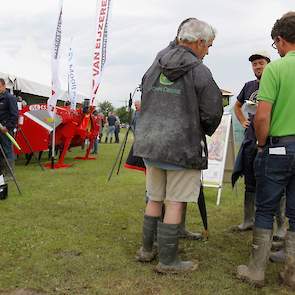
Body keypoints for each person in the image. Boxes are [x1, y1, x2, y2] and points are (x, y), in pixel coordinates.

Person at [133, 18, 223, 274]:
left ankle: (146, 250)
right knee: (174, 202)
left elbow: (145, 97)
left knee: (154, 197)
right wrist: (202, 129)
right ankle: (168, 261)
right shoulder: (199, 70)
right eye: (208, 46)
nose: (208, 51)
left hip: (151, 144)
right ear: (199, 42)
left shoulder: (155, 63)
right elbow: (212, 111)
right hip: (181, 147)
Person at [237, 11, 295, 289]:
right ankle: (292, 274)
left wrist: (261, 144)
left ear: (281, 40)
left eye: (276, 45)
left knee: (265, 207)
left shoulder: (276, 69)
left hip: (278, 147)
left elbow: (261, 117)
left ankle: (256, 271)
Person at [231, 51, 271, 231]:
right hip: (250, 141)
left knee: (272, 183)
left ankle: (275, 225)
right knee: (250, 182)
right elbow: (237, 106)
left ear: (268, 64)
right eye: (254, 64)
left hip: (270, 141)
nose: (257, 67)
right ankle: (248, 220)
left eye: (261, 63)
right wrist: (242, 120)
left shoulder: (273, 82)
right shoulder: (248, 86)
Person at [0, 78, 18, 179]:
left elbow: (15, 115)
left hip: (6, 129)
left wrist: (7, 127)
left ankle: (10, 174)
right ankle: (2, 174)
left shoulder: (10, 98)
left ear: (4, 86)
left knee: (7, 151)